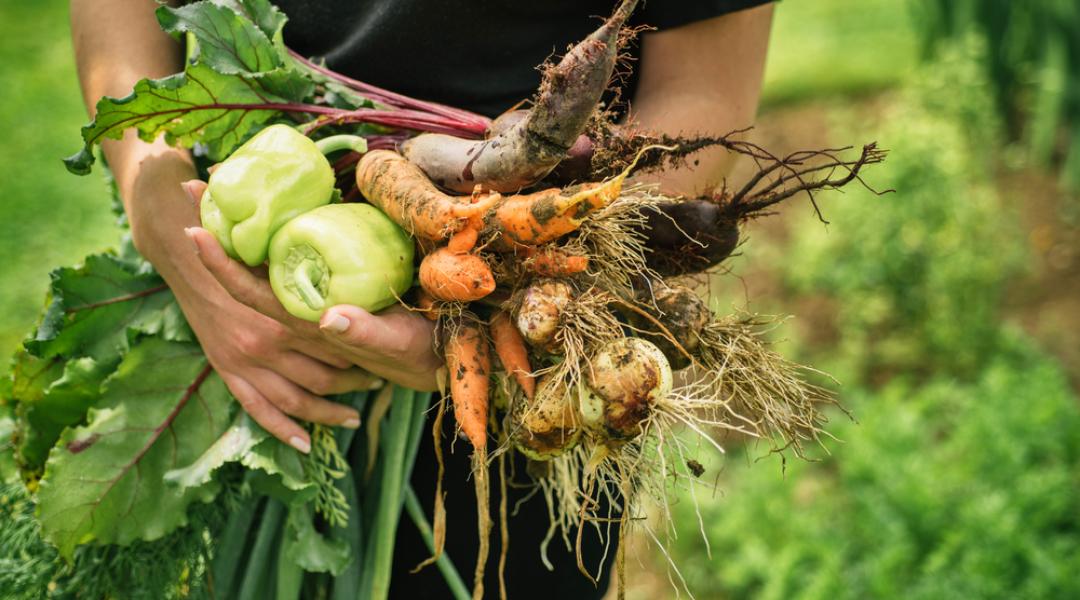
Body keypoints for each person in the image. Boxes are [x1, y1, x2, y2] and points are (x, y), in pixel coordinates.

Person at [71, 1, 773, 596]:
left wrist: (520, 292)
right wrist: (156, 197)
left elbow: (703, 86)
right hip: (237, 315)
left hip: (532, 363)